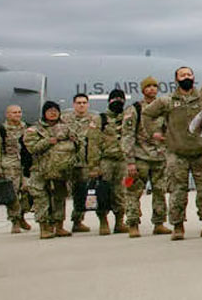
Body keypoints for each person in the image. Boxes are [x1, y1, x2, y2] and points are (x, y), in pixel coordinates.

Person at [140, 67, 202, 240]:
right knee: (177, 191)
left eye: (189, 75)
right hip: (177, 153)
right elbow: (147, 114)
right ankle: (178, 227)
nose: (186, 77)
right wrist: (153, 132)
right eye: (182, 75)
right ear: (176, 79)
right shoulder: (166, 101)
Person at [22, 101, 80, 239]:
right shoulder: (34, 130)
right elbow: (32, 149)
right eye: (50, 111)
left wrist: (74, 141)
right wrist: (48, 141)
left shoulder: (67, 128)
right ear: (44, 113)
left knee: (59, 197)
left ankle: (59, 226)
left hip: (60, 169)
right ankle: (44, 228)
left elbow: (79, 144)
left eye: (55, 110)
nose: (53, 113)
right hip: (40, 170)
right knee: (41, 199)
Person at [123, 76, 170, 235]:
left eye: (154, 86)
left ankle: (159, 223)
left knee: (160, 191)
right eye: (148, 86)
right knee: (134, 192)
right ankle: (133, 223)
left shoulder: (163, 107)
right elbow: (128, 135)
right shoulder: (135, 109)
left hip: (160, 157)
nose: (151, 89)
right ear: (143, 90)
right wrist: (130, 161)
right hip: (140, 157)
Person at [87, 89, 131, 235]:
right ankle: (103, 222)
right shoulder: (100, 119)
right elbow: (93, 144)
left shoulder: (127, 118)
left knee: (121, 192)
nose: (117, 101)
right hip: (105, 161)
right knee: (103, 192)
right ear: (109, 101)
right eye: (114, 99)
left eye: (121, 98)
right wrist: (93, 166)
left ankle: (119, 221)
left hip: (122, 161)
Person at [0, 104, 32, 233]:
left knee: (28, 193)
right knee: (12, 195)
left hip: (25, 166)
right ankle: (15, 220)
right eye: (14, 112)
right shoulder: (0, 131)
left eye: (19, 112)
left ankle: (22, 215)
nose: (17, 115)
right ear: (7, 114)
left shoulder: (28, 129)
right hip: (9, 166)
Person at [62, 93, 99, 233]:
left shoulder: (94, 119)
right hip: (68, 161)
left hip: (84, 162)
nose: (81, 105)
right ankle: (56, 222)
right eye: (78, 103)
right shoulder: (64, 119)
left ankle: (77, 220)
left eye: (84, 102)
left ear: (88, 104)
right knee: (62, 193)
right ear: (74, 104)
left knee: (82, 192)